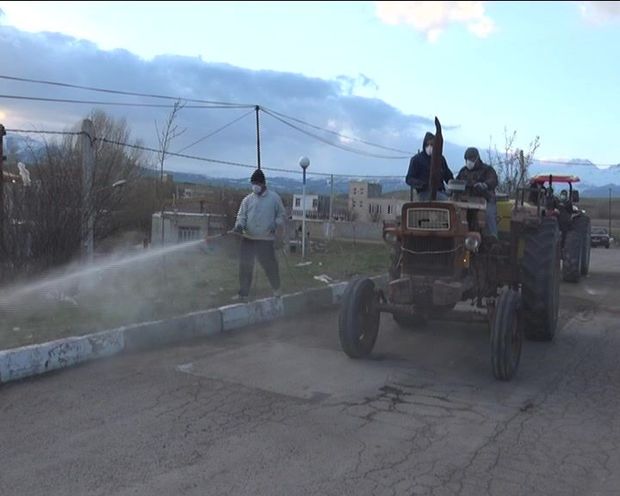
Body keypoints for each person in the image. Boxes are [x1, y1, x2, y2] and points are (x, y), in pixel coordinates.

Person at [231, 169, 286, 302]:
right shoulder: (247, 200)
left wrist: (276, 227)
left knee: (270, 266)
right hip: (248, 239)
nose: (254, 186)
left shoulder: (274, 198)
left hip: (265, 239)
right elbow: (242, 216)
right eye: (252, 183)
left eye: (256, 183)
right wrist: (239, 225)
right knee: (245, 267)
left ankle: (277, 290)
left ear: (262, 183)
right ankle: (243, 294)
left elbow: (281, 215)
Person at [456, 147, 499, 238]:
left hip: (486, 200)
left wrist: (485, 185)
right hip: (467, 202)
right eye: (467, 159)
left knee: (489, 215)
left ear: (477, 158)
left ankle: (493, 237)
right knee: (457, 215)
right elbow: (457, 182)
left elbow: (493, 180)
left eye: (471, 159)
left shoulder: (487, 170)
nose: (469, 161)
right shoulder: (463, 171)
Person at [406, 131, 454, 201]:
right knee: (445, 201)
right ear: (424, 145)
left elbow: (448, 176)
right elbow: (409, 179)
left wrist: (454, 184)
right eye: (427, 144)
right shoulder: (417, 159)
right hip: (423, 193)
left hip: (440, 191)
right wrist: (422, 184)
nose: (429, 147)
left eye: (432, 144)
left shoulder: (440, 159)